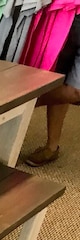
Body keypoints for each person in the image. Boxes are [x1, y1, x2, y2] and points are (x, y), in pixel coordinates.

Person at [25, 16, 80, 167]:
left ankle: (15, 107)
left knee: (75, 91)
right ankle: (51, 147)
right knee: (59, 79)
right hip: (69, 13)